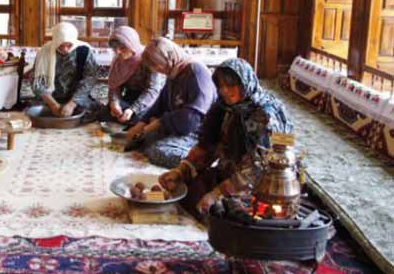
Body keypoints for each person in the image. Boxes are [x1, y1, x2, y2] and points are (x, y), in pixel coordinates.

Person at [158, 58, 293, 219]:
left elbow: (258, 168)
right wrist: (181, 170)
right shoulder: (224, 107)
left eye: (230, 85)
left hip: (264, 184)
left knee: (226, 214)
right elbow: (208, 146)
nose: (224, 91)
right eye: (221, 86)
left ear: (245, 83)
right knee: (183, 191)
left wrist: (216, 195)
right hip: (230, 170)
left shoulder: (265, 115)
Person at [124, 38, 217, 168]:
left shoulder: (196, 72)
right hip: (178, 127)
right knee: (141, 141)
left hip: (197, 133)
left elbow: (192, 120)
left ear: (169, 58)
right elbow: (160, 103)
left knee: (157, 151)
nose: (156, 69)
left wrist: (159, 123)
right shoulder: (175, 72)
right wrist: (141, 124)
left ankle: (198, 162)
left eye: (157, 65)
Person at [96, 26, 161, 126]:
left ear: (132, 45)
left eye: (122, 48)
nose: (117, 52)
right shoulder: (118, 60)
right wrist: (114, 103)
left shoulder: (149, 58)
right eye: (115, 49)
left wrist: (132, 109)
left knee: (140, 118)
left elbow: (153, 90)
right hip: (130, 96)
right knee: (104, 114)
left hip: (150, 100)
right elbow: (114, 86)